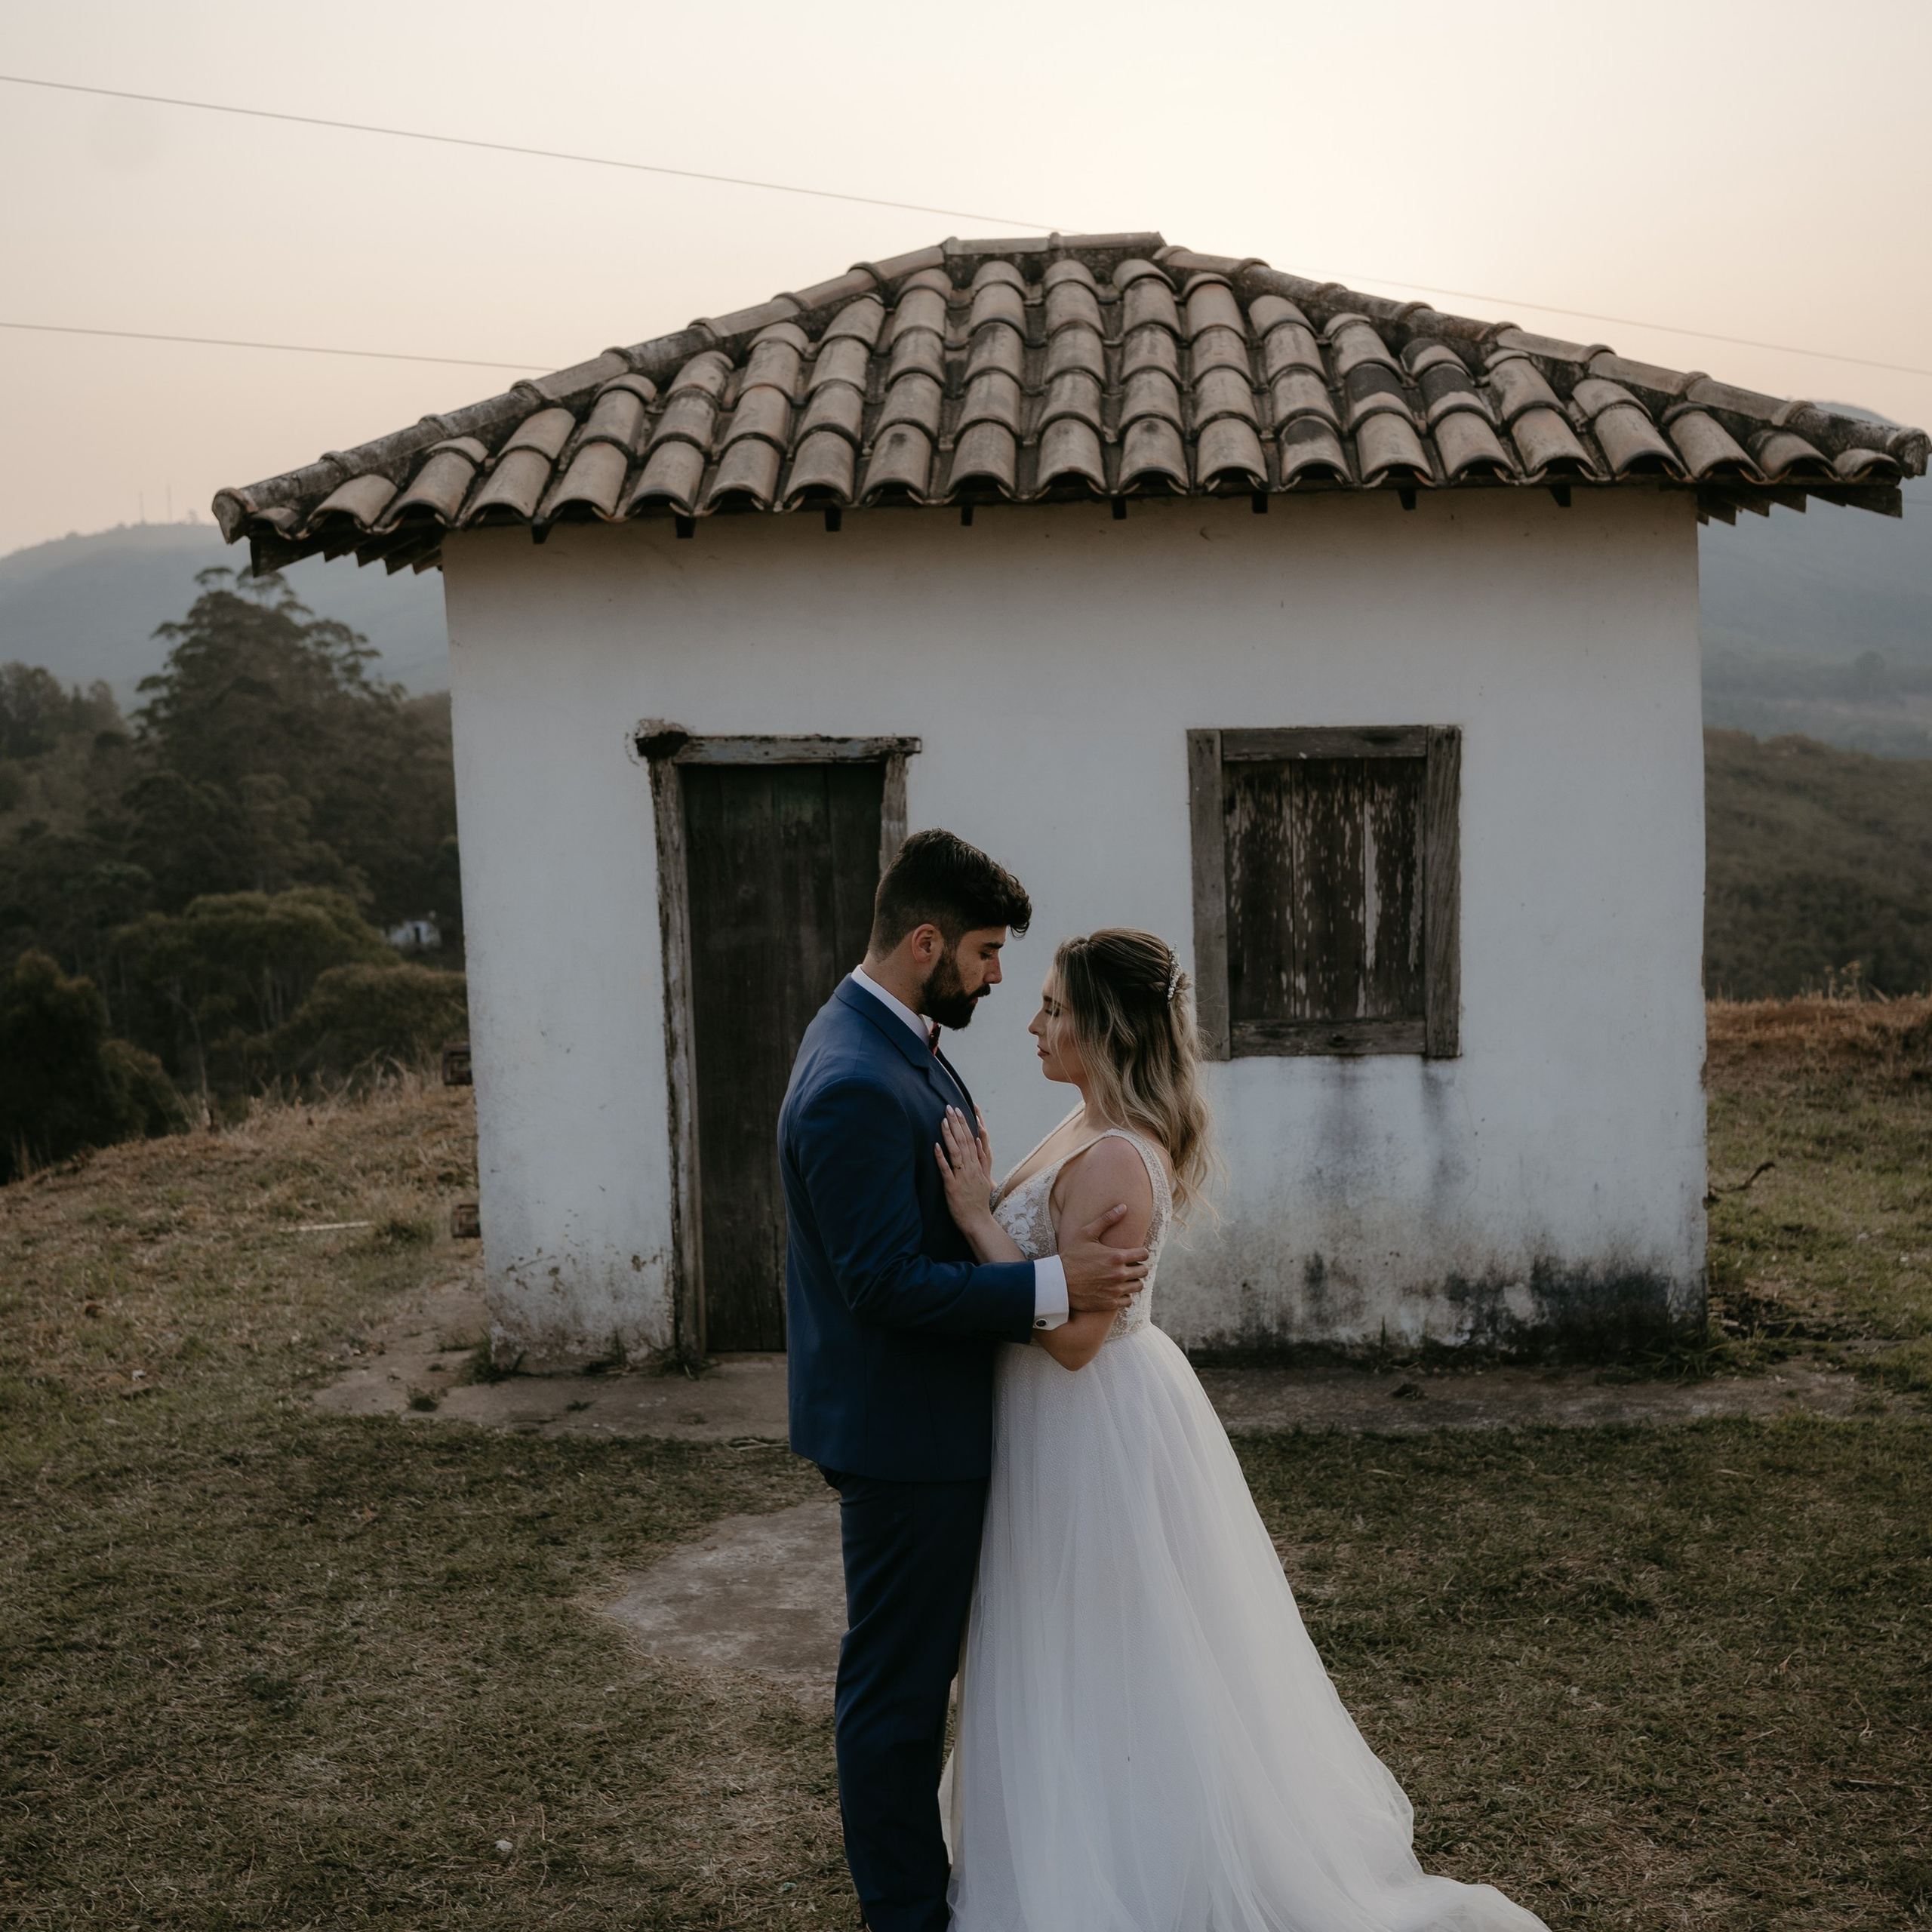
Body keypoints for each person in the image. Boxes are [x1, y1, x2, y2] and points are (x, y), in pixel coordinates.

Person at [931, 928, 1552, 1932]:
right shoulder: (1078, 1119)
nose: (1035, 1022)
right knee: (1059, 1643)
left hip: (1088, 1428)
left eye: (1054, 1008)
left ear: (1107, 1029)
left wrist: (972, 1218)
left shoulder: (1121, 1160)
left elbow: (1081, 1338)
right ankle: (1059, 1830)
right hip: (1045, 1421)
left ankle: (1131, 1862)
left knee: (1102, 1647)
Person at [780, 833, 1153, 1932]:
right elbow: (883, 1285)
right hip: (903, 1431)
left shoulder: (895, 1037)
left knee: (925, 1676)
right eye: (988, 953)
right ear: (927, 941)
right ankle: (903, 1914)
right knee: (896, 1693)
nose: (999, 977)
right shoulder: (853, 1080)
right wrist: (1051, 1284)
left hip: (931, 1418)